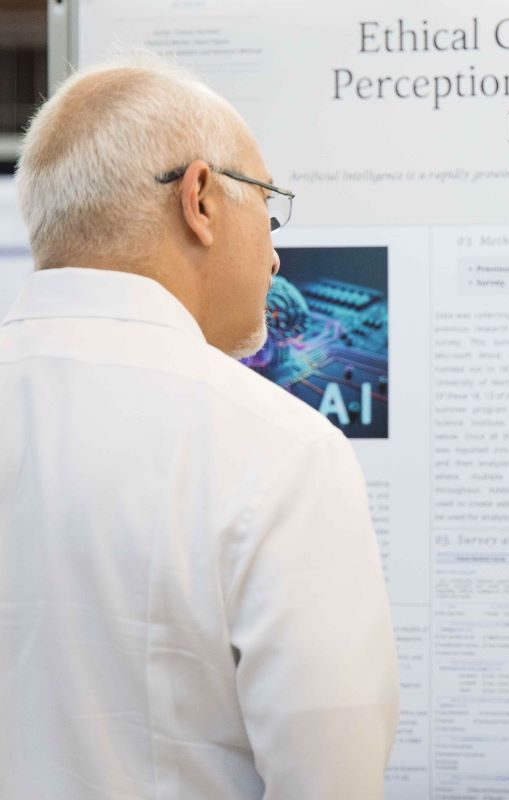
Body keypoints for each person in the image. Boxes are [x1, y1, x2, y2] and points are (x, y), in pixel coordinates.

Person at [0, 56, 399, 798]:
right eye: (269, 211)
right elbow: (330, 782)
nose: (276, 254)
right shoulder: (279, 451)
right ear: (202, 199)